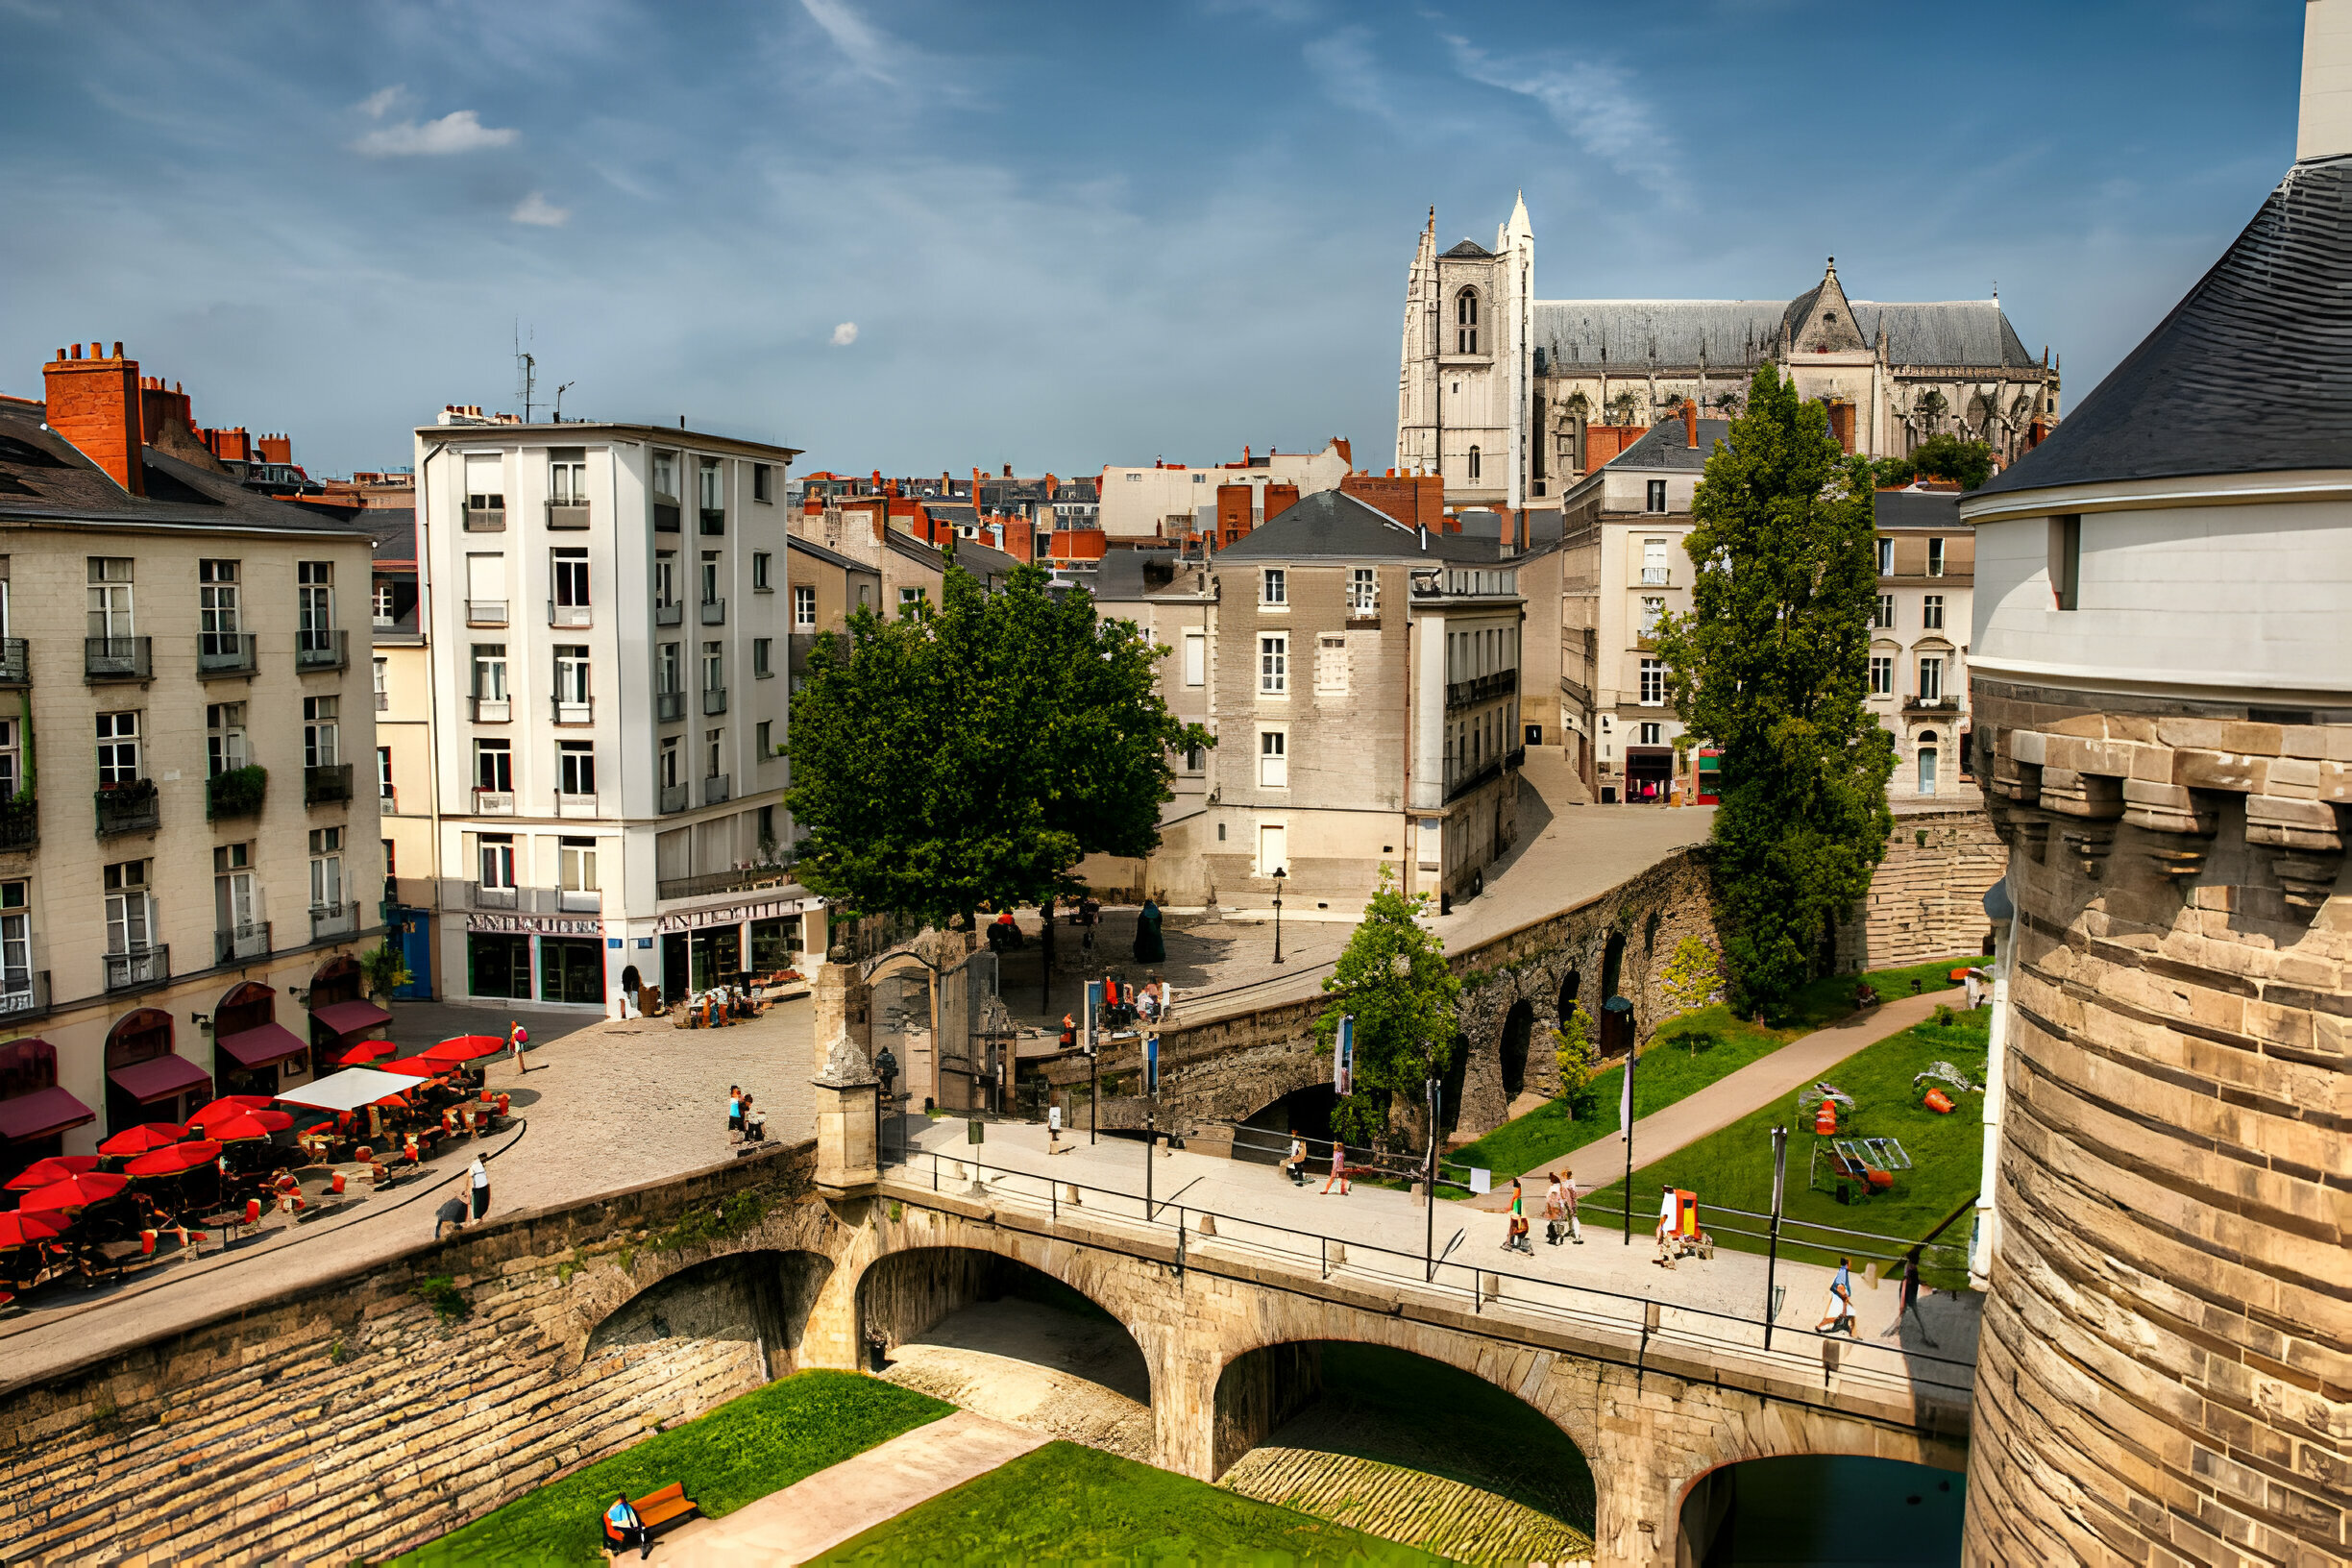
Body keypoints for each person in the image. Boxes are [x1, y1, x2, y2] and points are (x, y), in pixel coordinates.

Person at [1881, 1247, 1940, 1347]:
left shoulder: (1912, 1268)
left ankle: (1890, 1331)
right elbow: (1904, 1287)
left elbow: (1913, 1280)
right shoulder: (1909, 1270)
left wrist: (1921, 1282)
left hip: (1911, 1294)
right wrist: (1902, 1302)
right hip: (1908, 1295)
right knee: (1909, 1314)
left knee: (1906, 1314)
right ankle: (1926, 1337)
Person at [606, 1493, 652, 1560]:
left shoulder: (615, 1516)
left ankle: (644, 1544)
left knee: (637, 1530)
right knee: (636, 1530)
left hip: (630, 1525)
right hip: (630, 1525)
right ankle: (619, 1548)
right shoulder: (615, 1516)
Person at [1818, 1256, 1855, 1335]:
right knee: (1836, 1317)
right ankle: (1819, 1327)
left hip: (1840, 1299)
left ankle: (1850, 1331)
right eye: (1850, 1263)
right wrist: (1844, 1296)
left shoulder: (1843, 1271)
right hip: (1838, 1299)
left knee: (1850, 1314)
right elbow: (1838, 1287)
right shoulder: (1843, 1272)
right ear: (1847, 1264)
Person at [1134, 897, 1165, 964]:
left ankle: (1144, 957)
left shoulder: (1143, 914)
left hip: (1145, 935)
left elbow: (1140, 926)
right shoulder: (1157, 912)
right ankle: (1157, 957)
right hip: (1155, 934)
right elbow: (1160, 921)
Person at [1654, 1184, 1679, 1268]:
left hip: (1668, 1229)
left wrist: (1659, 1231)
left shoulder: (1668, 1200)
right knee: (1667, 1246)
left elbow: (1664, 1216)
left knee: (1666, 1246)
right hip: (1671, 1227)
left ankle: (1668, 1261)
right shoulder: (1673, 1198)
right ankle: (1665, 1260)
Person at [469, 1155, 490, 1221]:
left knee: (481, 1209)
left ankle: (478, 1219)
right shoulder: (474, 1167)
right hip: (477, 1189)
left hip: (481, 1187)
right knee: (477, 1211)